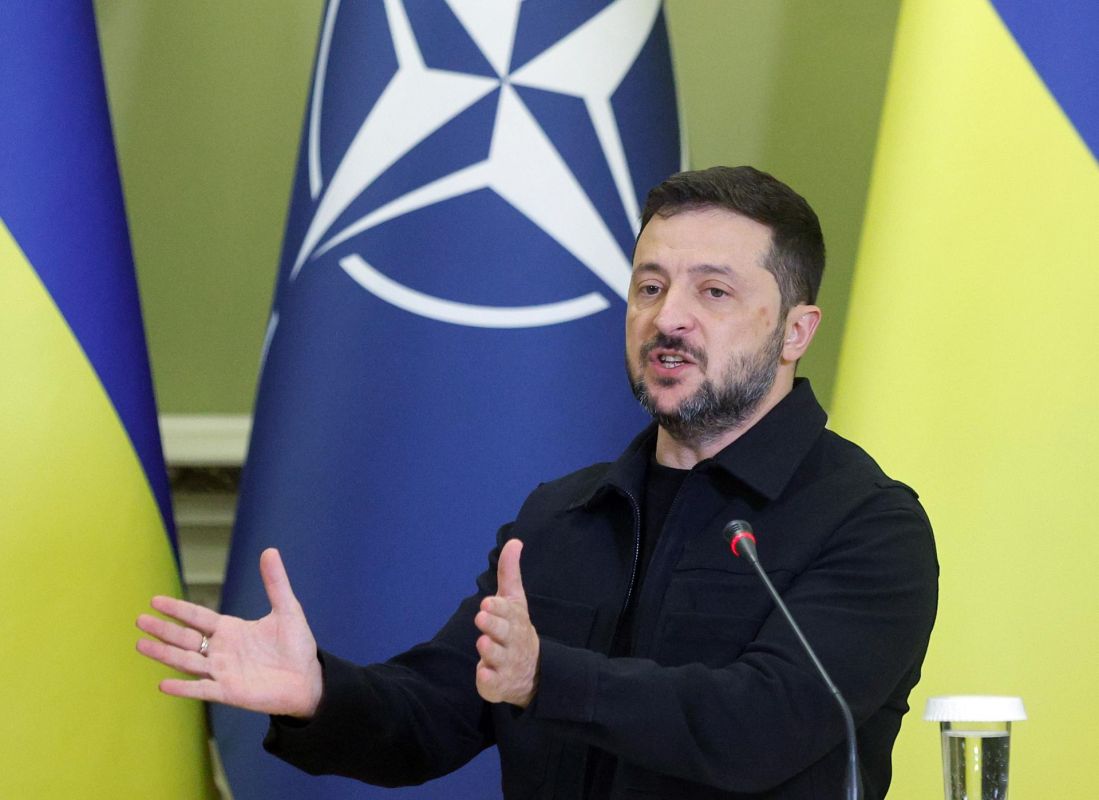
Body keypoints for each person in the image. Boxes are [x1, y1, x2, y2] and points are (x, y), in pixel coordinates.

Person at [137, 166, 937, 799]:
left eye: (713, 291)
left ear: (796, 331)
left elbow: (759, 727)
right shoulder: (564, 518)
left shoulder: (867, 526)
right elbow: (434, 715)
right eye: (649, 286)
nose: (667, 318)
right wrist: (319, 691)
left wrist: (545, 677)